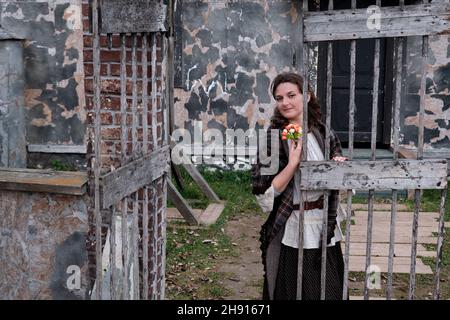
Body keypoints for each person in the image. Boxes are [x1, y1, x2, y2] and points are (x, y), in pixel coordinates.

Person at [251, 72, 347, 300]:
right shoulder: (273, 138)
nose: (285, 102)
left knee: (329, 290)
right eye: (279, 97)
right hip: (293, 227)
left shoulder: (322, 132)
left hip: (324, 227)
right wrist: (292, 163)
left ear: (307, 96)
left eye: (291, 95)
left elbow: (338, 174)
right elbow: (264, 193)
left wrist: (338, 166)